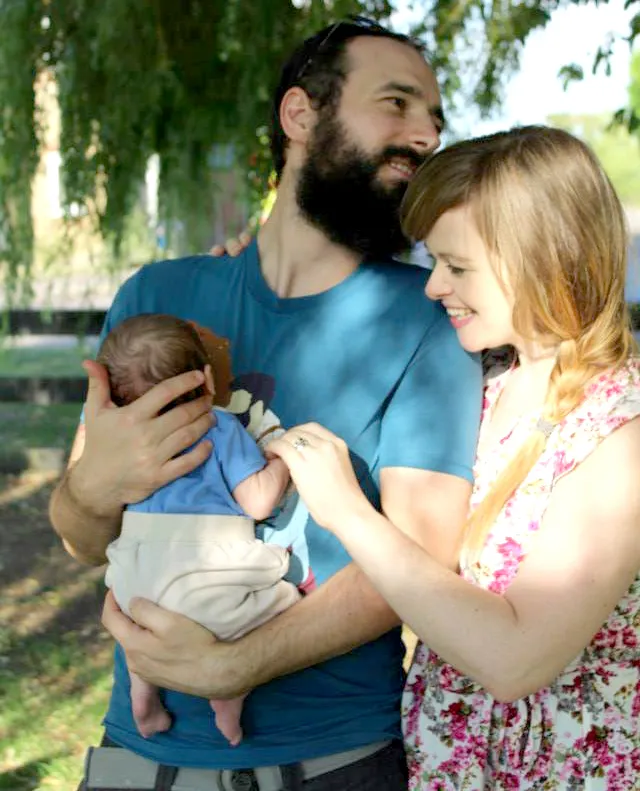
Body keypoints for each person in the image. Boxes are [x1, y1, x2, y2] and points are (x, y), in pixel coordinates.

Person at [49, 15, 482, 791]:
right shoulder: (157, 297)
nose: (425, 135)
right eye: (396, 103)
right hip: (133, 760)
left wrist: (234, 664)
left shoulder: (431, 320)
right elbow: (81, 536)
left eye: (434, 119)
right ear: (299, 114)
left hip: (329, 766)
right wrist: (92, 487)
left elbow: (418, 563)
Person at [262, 125, 640, 789]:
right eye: (433, 259)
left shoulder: (620, 435)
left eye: (458, 267)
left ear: (546, 261)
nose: (434, 285)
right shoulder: (484, 377)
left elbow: (515, 659)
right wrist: (259, 263)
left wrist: (348, 511)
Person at [97, 313, 300, 747]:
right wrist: (282, 460)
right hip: (206, 563)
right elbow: (258, 501)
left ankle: (142, 695)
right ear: (207, 378)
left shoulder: (125, 443)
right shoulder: (219, 425)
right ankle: (228, 695)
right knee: (279, 602)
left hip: (133, 570)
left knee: (139, 625)